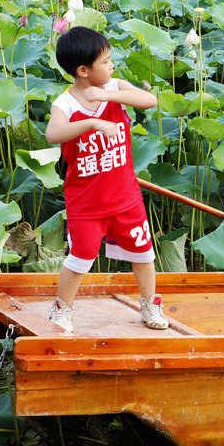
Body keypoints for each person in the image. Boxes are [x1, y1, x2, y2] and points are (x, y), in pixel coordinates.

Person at [44, 26, 168, 333]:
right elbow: (53, 134)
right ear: (83, 70)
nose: (112, 66)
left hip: (125, 197)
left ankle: (150, 304)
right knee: (81, 256)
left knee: (144, 253)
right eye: (106, 61)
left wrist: (107, 94)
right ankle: (62, 309)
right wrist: (92, 123)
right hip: (86, 203)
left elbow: (149, 100)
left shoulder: (116, 87)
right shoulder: (65, 105)